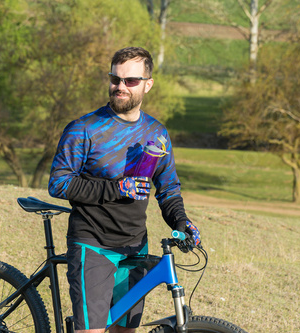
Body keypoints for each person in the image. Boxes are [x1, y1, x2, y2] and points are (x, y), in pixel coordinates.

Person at [48, 47, 200, 333]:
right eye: (115, 79)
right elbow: (59, 183)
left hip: (134, 245)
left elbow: (168, 190)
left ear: (148, 84)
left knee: (124, 331)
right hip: (93, 244)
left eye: (130, 81)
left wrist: (182, 221)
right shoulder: (84, 128)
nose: (120, 87)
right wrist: (117, 188)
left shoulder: (157, 133)